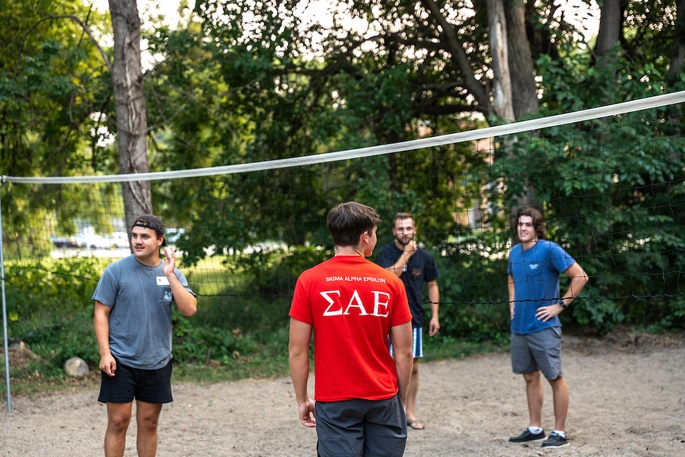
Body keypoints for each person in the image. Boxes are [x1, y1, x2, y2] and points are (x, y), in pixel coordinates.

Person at [289, 202, 414, 457]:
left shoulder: (309, 280)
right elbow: (404, 352)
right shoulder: (391, 283)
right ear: (364, 237)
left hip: (335, 400)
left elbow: (297, 351)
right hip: (382, 396)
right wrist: (399, 399)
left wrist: (302, 400)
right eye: (375, 233)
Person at [93, 214, 197, 457]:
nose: (137, 241)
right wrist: (105, 353)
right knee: (118, 422)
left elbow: (189, 309)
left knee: (149, 424)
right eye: (134, 236)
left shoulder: (172, 273)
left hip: (157, 360)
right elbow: (100, 313)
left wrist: (170, 275)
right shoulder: (115, 271)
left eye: (145, 237)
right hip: (120, 360)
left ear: (159, 240)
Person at [507, 207, 588, 449]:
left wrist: (560, 305)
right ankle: (535, 428)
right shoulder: (513, 252)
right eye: (520, 224)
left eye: (528, 224)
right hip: (519, 326)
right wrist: (511, 305)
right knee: (530, 377)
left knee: (555, 377)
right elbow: (511, 278)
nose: (523, 228)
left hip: (544, 326)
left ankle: (560, 433)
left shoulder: (549, 249)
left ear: (537, 227)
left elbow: (580, 276)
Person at [376, 212, 440, 431]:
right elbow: (387, 277)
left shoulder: (425, 256)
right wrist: (405, 255)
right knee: (387, 367)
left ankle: (407, 412)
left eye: (408, 228)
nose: (405, 232)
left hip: (414, 319)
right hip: (385, 318)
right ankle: (388, 413)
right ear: (394, 231)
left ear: (414, 230)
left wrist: (435, 316)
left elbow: (432, 284)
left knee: (411, 368)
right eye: (400, 229)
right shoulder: (385, 252)